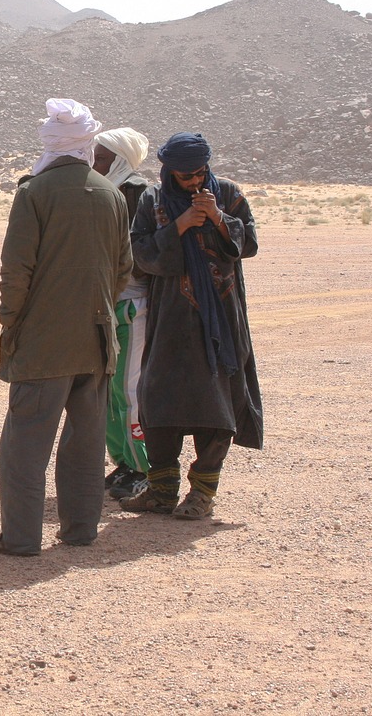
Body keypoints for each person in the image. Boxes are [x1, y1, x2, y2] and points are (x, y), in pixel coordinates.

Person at [0, 99, 132, 556]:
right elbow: (123, 268)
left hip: (43, 342)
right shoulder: (111, 194)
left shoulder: (35, 193)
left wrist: (11, 326)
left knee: (25, 445)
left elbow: (16, 272)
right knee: (85, 443)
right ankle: (80, 529)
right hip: (95, 340)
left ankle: (20, 537)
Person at [119, 132, 263, 520]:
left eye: (199, 173)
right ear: (169, 171)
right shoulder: (153, 201)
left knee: (217, 402)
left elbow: (248, 243)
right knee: (159, 399)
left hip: (221, 319)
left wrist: (218, 218)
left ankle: (202, 494)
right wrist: (179, 225)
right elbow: (141, 254)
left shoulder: (229, 194)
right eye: (185, 176)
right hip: (170, 319)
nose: (194, 181)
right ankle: (162, 490)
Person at [91, 128, 152, 499]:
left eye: (101, 158)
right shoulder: (105, 191)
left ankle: (144, 467)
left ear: (119, 160)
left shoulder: (139, 194)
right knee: (110, 391)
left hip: (133, 306)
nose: (94, 164)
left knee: (130, 392)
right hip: (110, 305)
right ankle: (124, 462)